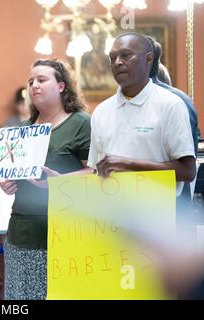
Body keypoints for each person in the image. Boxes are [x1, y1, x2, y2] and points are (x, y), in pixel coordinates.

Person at [0, 58, 92, 300]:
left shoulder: (80, 123)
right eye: (31, 82)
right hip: (21, 229)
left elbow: (94, 173)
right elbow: (17, 172)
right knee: (20, 298)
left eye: (42, 80)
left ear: (62, 86)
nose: (34, 86)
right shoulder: (24, 127)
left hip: (65, 229)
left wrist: (59, 182)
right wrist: (9, 181)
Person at [88, 33, 196, 237]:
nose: (117, 63)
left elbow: (187, 171)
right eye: (112, 58)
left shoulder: (170, 105)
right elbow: (96, 171)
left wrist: (128, 164)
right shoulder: (101, 111)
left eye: (126, 56)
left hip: (159, 225)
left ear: (149, 58)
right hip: (113, 224)